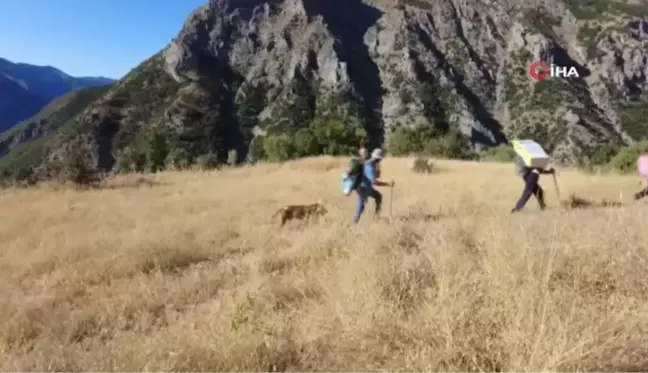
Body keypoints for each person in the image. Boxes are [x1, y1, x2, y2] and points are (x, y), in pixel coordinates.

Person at [353, 149, 394, 224]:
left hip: (365, 187)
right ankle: (354, 223)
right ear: (377, 158)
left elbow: (375, 177)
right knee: (361, 206)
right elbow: (374, 182)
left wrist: (378, 170)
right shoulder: (370, 167)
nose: (380, 161)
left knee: (378, 196)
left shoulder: (371, 164)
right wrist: (388, 184)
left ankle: (376, 217)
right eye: (379, 159)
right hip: (363, 188)